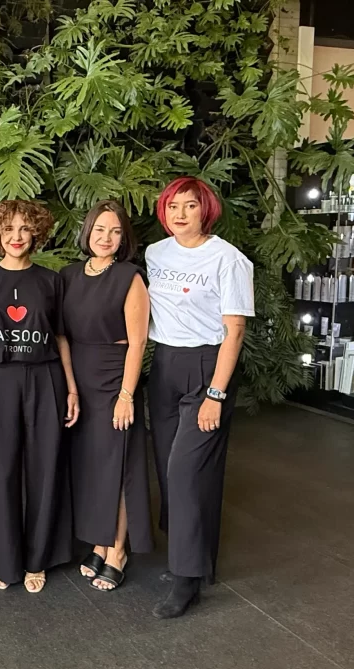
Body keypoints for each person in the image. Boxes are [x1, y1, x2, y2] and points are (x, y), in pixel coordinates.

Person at [0, 200, 79, 593]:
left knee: (45, 470)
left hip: (46, 379)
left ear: (36, 233)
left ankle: (38, 559)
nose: (17, 236)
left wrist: (71, 388)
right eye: (8, 228)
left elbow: (61, 337)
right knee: (4, 471)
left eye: (25, 228)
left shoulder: (50, 281)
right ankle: (7, 562)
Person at [145, 177, 254, 619]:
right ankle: (191, 558)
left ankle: (186, 577)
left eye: (190, 205)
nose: (180, 213)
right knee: (167, 468)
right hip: (165, 364)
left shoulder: (228, 259)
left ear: (205, 209)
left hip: (208, 366)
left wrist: (216, 393)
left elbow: (235, 330)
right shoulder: (156, 253)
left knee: (186, 471)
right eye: (173, 205)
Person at [62, 200, 153, 592]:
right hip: (78, 378)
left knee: (117, 464)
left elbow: (138, 342)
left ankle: (117, 550)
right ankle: (99, 542)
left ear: (124, 238)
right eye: (100, 229)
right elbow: (61, 333)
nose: (106, 238)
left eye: (115, 232)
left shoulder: (130, 277)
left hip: (115, 377)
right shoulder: (67, 275)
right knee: (91, 466)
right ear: (88, 231)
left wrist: (126, 394)